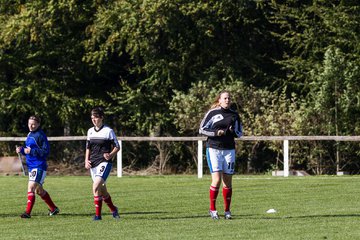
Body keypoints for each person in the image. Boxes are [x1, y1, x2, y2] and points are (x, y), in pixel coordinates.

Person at [199, 90, 243, 220]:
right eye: (224, 98)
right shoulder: (213, 113)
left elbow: (240, 132)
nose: (227, 100)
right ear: (219, 100)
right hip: (214, 149)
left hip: (229, 150)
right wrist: (216, 133)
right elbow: (202, 129)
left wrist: (232, 131)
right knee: (216, 180)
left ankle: (227, 211)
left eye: (229, 98)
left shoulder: (234, 115)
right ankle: (212, 209)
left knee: (227, 182)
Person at [16, 115, 60, 218]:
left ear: (38, 124)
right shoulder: (30, 134)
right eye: (29, 124)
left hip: (39, 166)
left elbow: (46, 152)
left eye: (33, 124)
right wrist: (21, 150)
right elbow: (28, 150)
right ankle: (54, 209)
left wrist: (31, 151)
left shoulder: (41, 135)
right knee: (39, 190)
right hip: (32, 166)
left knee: (31, 187)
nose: (30, 126)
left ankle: (27, 213)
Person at [85, 106, 121, 221]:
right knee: (102, 189)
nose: (93, 120)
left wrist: (110, 155)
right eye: (92, 118)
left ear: (101, 118)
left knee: (96, 186)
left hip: (104, 162)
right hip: (93, 163)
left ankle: (98, 216)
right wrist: (86, 160)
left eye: (95, 117)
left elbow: (117, 146)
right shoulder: (90, 131)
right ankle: (113, 209)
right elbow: (88, 147)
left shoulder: (108, 131)